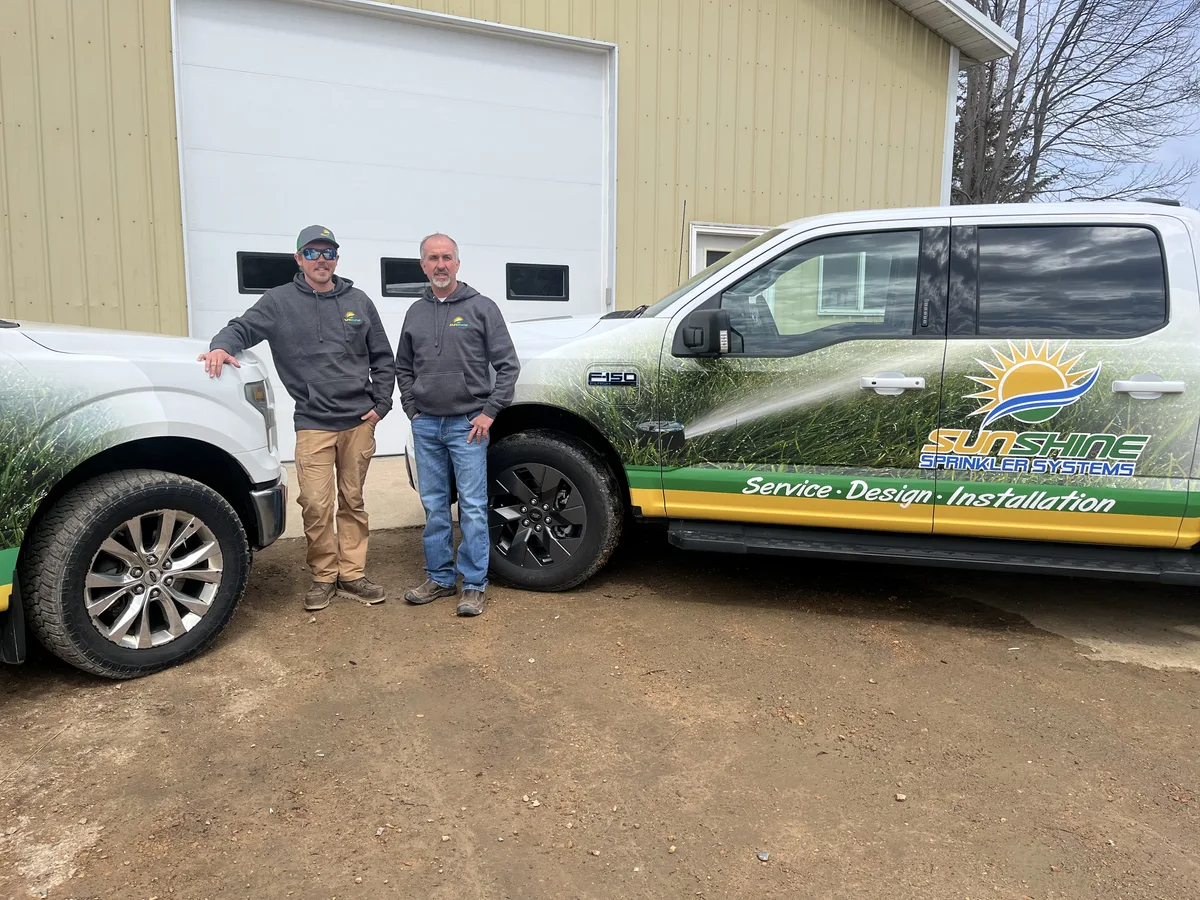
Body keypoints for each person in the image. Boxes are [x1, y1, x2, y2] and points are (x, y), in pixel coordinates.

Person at [198, 225, 396, 611]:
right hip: (313, 423)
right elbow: (241, 327)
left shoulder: (359, 301)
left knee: (352, 501)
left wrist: (381, 405)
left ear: (337, 258)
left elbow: (383, 358)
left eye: (328, 252)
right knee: (316, 504)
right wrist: (221, 347)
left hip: (359, 421)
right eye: (312, 252)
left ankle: (352, 574)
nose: (321, 260)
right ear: (298, 258)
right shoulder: (278, 302)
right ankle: (325, 575)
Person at [396, 233, 520, 617]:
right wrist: (412, 408)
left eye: (446, 257)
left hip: (468, 425)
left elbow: (507, 366)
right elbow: (403, 366)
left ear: (458, 263)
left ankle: (474, 585)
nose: (440, 265)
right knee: (434, 507)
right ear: (423, 265)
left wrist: (489, 412)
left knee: (472, 506)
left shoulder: (482, 308)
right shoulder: (415, 312)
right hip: (427, 425)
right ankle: (440, 578)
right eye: (432, 258)